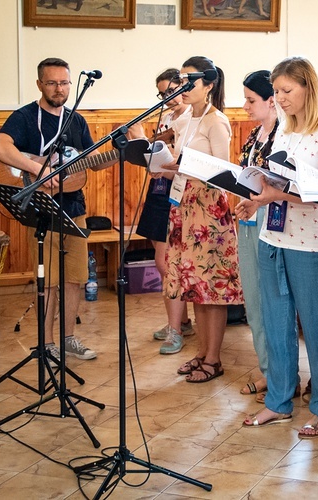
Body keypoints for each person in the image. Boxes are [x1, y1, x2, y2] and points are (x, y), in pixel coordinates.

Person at [238, 57, 318, 437]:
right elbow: (276, 178)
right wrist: (257, 194)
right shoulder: (283, 127)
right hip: (272, 233)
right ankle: (279, 402)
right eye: (277, 92)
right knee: (276, 322)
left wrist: (274, 193)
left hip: (312, 243)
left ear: (308, 88)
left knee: (317, 328)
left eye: (286, 91)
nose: (279, 99)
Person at [0, 57, 111, 360]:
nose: (59, 88)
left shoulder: (77, 121)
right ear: (39, 84)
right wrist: (37, 168)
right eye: (52, 82)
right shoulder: (25, 117)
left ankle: (68, 337)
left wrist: (125, 151)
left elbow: (90, 163)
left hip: (74, 209)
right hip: (41, 212)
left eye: (64, 82)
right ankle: (46, 343)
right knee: (49, 282)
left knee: (75, 279)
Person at [162, 56, 243, 382]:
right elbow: (177, 157)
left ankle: (213, 358)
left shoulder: (216, 121)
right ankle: (200, 352)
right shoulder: (185, 120)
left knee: (212, 287)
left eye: (190, 80)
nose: (183, 86)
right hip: (184, 206)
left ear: (208, 85)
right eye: (181, 79)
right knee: (194, 286)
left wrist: (183, 166)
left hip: (208, 211)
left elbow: (225, 172)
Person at [131, 68, 195, 352]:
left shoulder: (192, 117)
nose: (168, 98)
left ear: (186, 86)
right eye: (163, 94)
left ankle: (175, 329)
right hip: (158, 191)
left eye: (173, 91)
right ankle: (180, 321)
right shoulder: (168, 117)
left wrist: (153, 142)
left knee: (167, 263)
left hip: (178, 190)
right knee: (162, 258)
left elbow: (179, 153)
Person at [235, 70, 279, 400]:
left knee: (272, 303)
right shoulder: (254, 136)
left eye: (251, 100)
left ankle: (283, 376)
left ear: (272, 100)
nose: (246, 106)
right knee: (253, 303)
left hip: (272, 221)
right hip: (248, 221)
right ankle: (269, 370)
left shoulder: (283, 136)